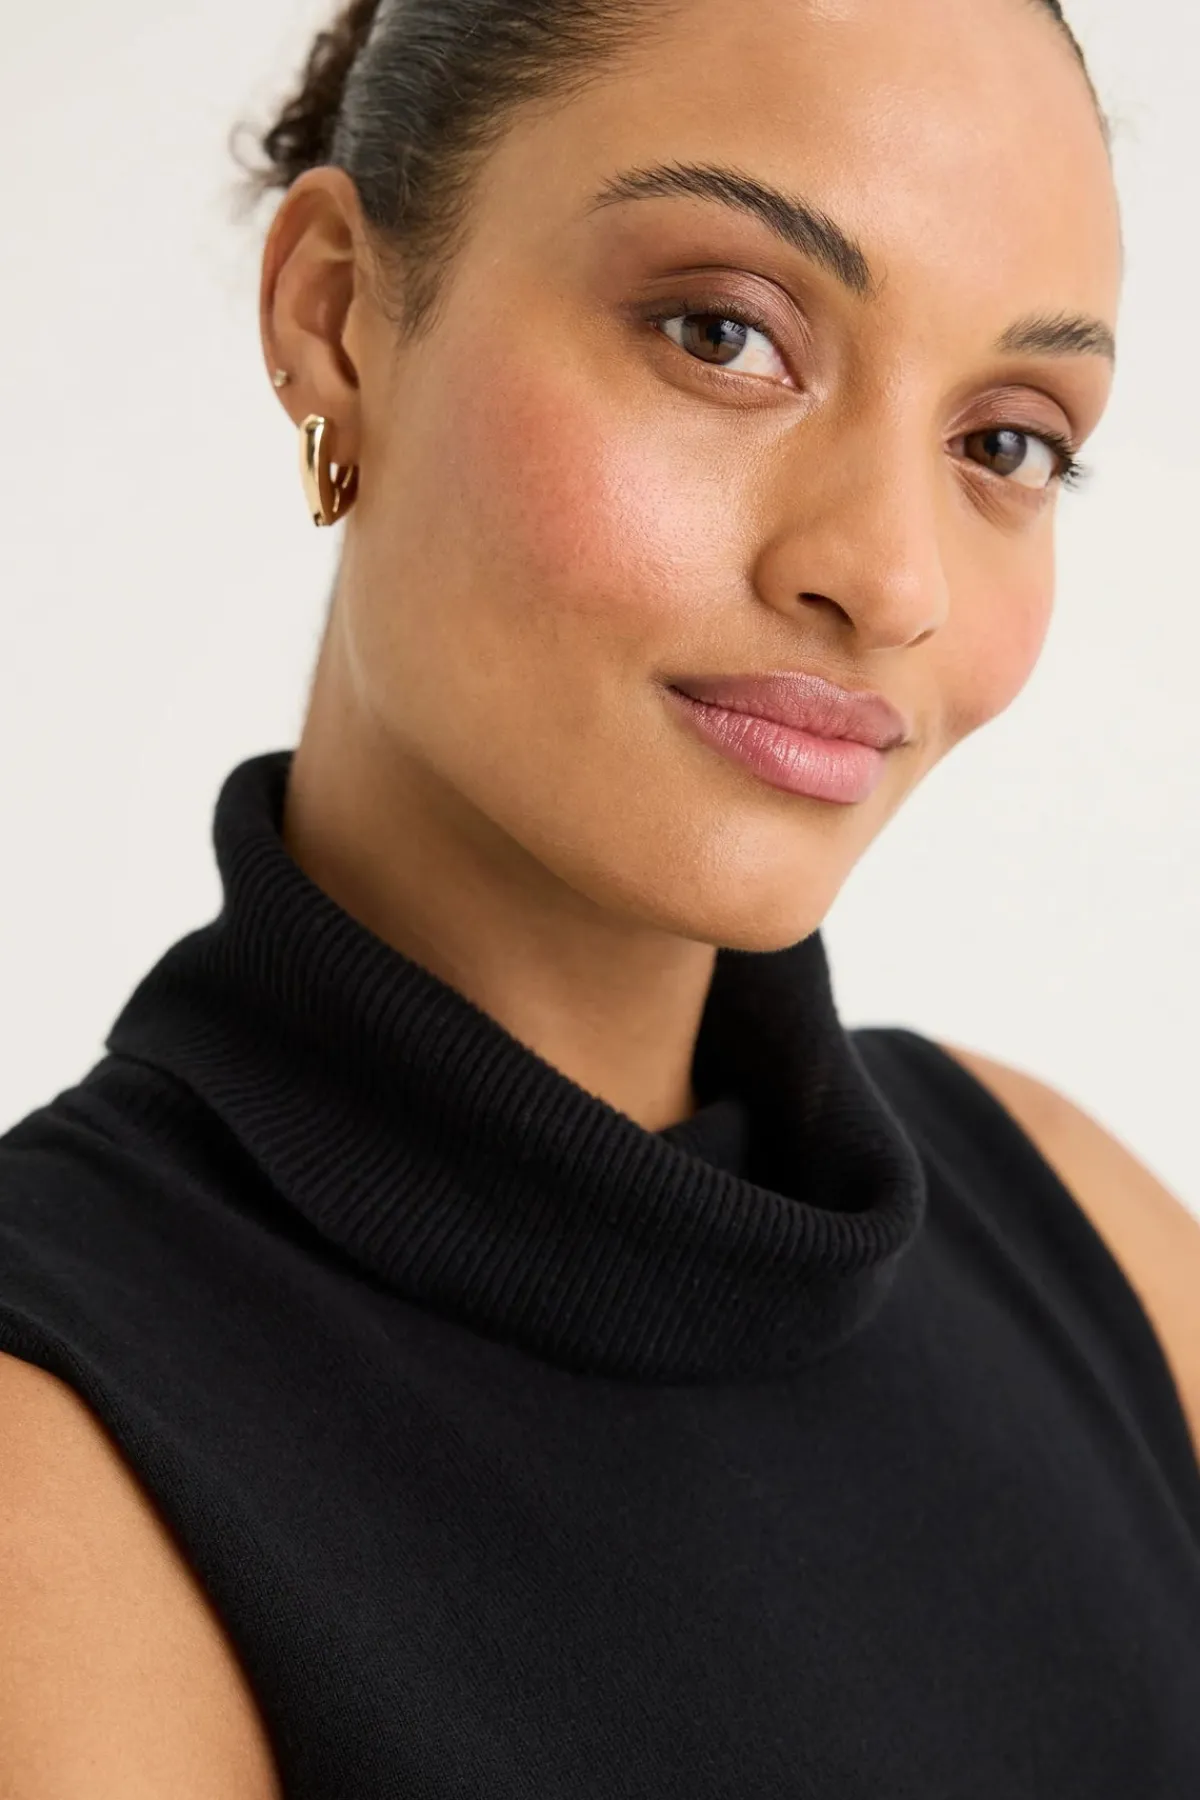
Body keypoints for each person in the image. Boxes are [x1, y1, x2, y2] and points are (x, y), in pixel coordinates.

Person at [1, 0, 1198, 1793]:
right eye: (726, 334)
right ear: (337, 314)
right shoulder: (52, 1462)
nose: (889, 578)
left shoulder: (1087, 1230)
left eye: (1007, 442)